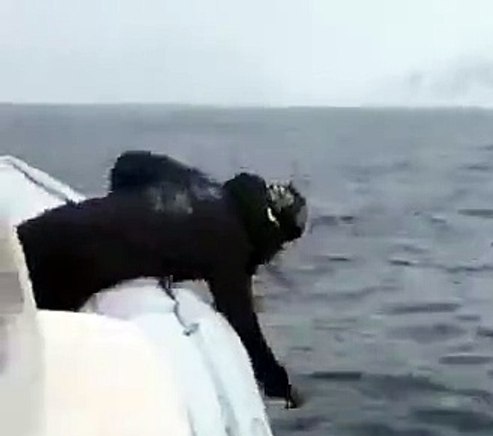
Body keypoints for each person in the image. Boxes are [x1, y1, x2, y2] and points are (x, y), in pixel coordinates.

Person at [16, 151, 308, 408]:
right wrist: (281, 388)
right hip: (63, 269)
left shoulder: (198, 184)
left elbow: (128, 163)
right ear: (273, 233)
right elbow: (245, 330)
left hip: (40, 231)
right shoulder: (230, 249)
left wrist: (126, 212)